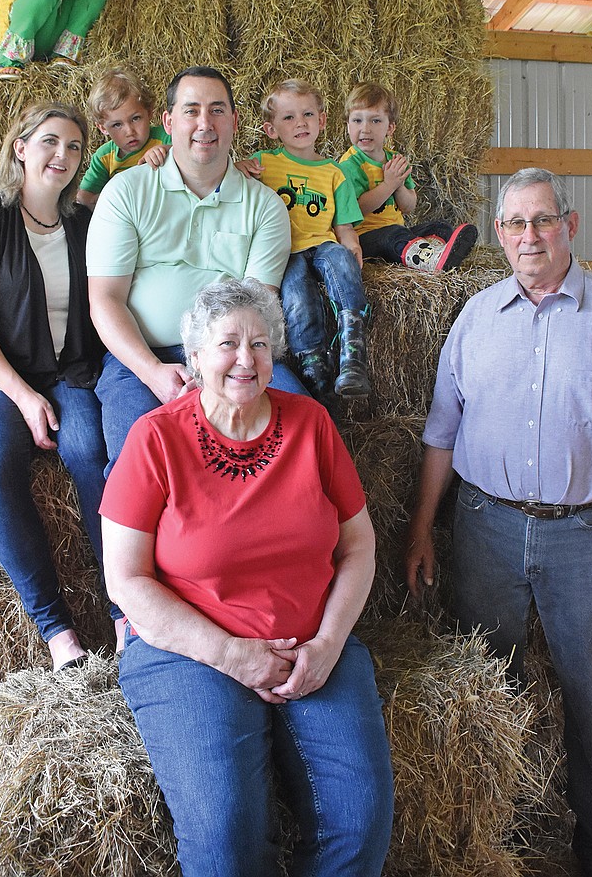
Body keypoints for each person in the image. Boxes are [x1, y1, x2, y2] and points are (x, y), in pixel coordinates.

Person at [405, 167, 592, 877]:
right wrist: (423, 528)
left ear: (570, 226)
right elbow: (441, 433)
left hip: (584, 536)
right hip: (485, 527)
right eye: (516, 224)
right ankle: (505, 843)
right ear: (498, 235)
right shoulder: (475, 318)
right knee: (493, 689)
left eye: (543, 220)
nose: (530, 235)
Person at [100, 278, 394, 877]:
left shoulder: (310, 424)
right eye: (228, 342)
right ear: (196, 356)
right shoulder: (155, 439)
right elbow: (125, 581)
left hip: (310, 643)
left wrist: (330, 644)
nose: (245, 358)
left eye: (261, 344)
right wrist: (232, 655)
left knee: (361, 820)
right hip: (190, 650)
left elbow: (359, 544)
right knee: (227, 835)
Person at [0, 102, 124, 670]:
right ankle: (55, 628)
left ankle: (124, 610)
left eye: (73, 147)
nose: (62, 156)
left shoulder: (82, 227)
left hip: (63, 370)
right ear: (21, 147)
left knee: (92, 450)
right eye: (50, 142)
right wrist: (23, 396)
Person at [86, 65, 307, 472]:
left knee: (298, 441)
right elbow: (105, 299)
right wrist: (153, 373)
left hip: (234, 356)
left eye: (217, 110)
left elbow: (257, 310)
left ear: (235, 122)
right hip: (140, 357)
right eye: (191, 111)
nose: (204, 123)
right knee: (134, 463)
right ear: (168, 122)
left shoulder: (265, 207)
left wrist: (216, 373)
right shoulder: (126, 192)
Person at [240, 78, 370, 399]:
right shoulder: (264, 163)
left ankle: (353, 345)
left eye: (308, 114)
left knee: (340, 258)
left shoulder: (334, 172)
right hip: (286, 251)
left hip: (322, 244)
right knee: (296, 292)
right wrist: (239, 169)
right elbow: (232, 189)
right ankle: (312, 364)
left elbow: (344, 228)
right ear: (271, 130)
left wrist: (352, 244)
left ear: (322, 120)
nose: (300, 123)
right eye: (288, 117)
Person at [340, 82, 476, 271]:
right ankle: (428, 258)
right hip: (365, 239)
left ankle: (433, 256)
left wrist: (398, 186)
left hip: (397, 232)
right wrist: (388, 184)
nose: (365, 128)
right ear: (347, 126)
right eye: (357, 120)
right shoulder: (349, 165)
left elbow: (408, 206)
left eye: (375, 121)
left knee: (440, 227)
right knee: (392, 235)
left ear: (390, 128)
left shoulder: (395, 161)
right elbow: (356, 209)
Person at [77, 64, 170, 209]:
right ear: (102, 128)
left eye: (136, 118)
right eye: (117, 125)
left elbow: (190, 155)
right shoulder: (104, 157)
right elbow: (84, 197)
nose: (129, 131)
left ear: (149, 112)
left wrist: (167, 150)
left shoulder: (165, 137)